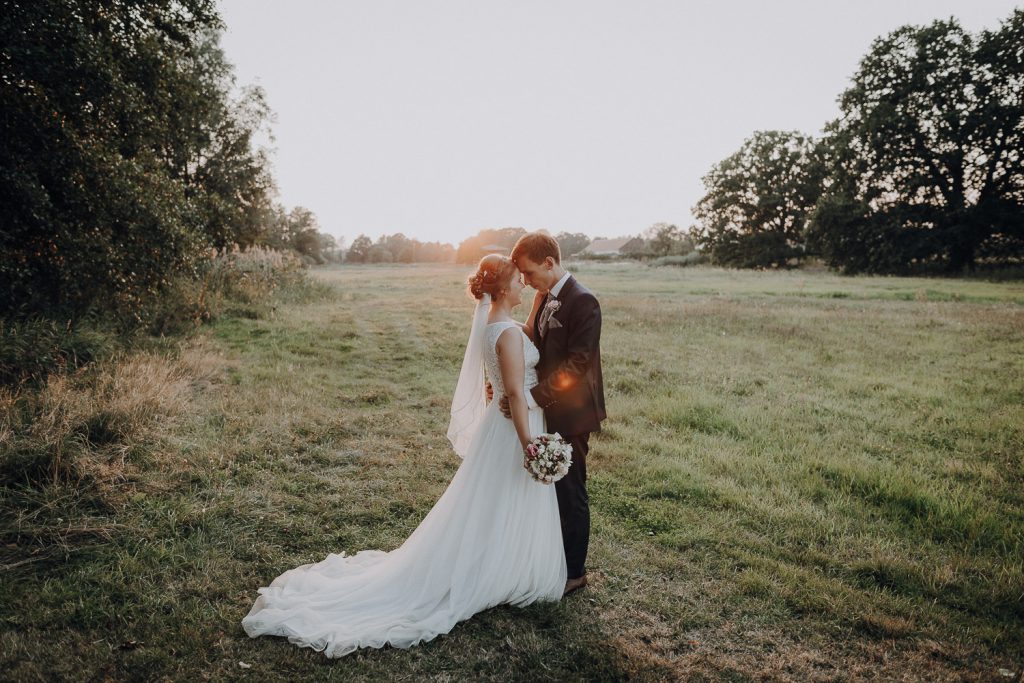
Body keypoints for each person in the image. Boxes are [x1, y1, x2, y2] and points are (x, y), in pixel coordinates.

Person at [241, 254, 566, 658]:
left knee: (490, 501)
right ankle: (498, 571)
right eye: (519, 280)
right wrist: (528, 444)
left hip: (499, 429)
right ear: (502, 288)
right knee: (500, 497)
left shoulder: (494, 326)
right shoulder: (508, 334)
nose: (524, 286)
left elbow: (502, 383)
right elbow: (515, 393)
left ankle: (499, 563)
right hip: (515, 428)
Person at [504, 232, 606, 596]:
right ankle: (552, 559)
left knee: (570, 492)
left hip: (573, 412)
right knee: (552, 491)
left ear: (549, 262)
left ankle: (574, 572)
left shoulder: (584, 302)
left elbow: (577, 365)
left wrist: (531, 397)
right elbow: (536, 345)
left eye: (529, 273)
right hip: (549, 408)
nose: (526, 280)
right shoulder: (545, 297)